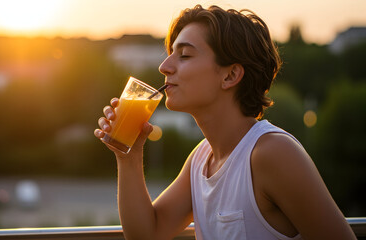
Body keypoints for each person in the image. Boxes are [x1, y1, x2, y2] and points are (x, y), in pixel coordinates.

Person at [94, 4, 356, 240]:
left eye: (184, 55)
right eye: (170, 53)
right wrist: (128, 155)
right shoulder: (200, 160)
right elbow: (147, 234)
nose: (164, 66)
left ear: (230, 75)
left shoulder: (272, 153)